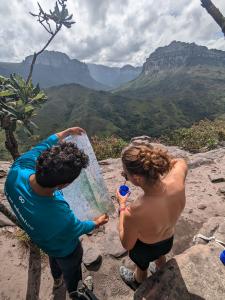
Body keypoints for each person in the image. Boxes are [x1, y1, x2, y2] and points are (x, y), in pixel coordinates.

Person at [4, 127, 109, 299]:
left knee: (54, 260)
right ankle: (77, 292)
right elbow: (78, 228)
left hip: (44, 241)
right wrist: (97, 222)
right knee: (72, 271)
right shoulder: (59, 214)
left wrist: (66, 132)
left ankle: (57, 280)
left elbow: (44, 144)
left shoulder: (17, 171)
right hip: (66, 250)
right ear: (63, 185)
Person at [116, 143, 188, 290]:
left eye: (126, 174)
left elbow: (127, 244)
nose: (126, 176)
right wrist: (159, 166)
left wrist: (122, 207)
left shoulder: (134, 212)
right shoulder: (177, 181)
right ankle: (161, 272)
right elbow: (180, 162)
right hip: (167, 240)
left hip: (144, 249)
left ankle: (137, 282)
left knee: (142, 267)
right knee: (161, 258)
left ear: (137, 178)